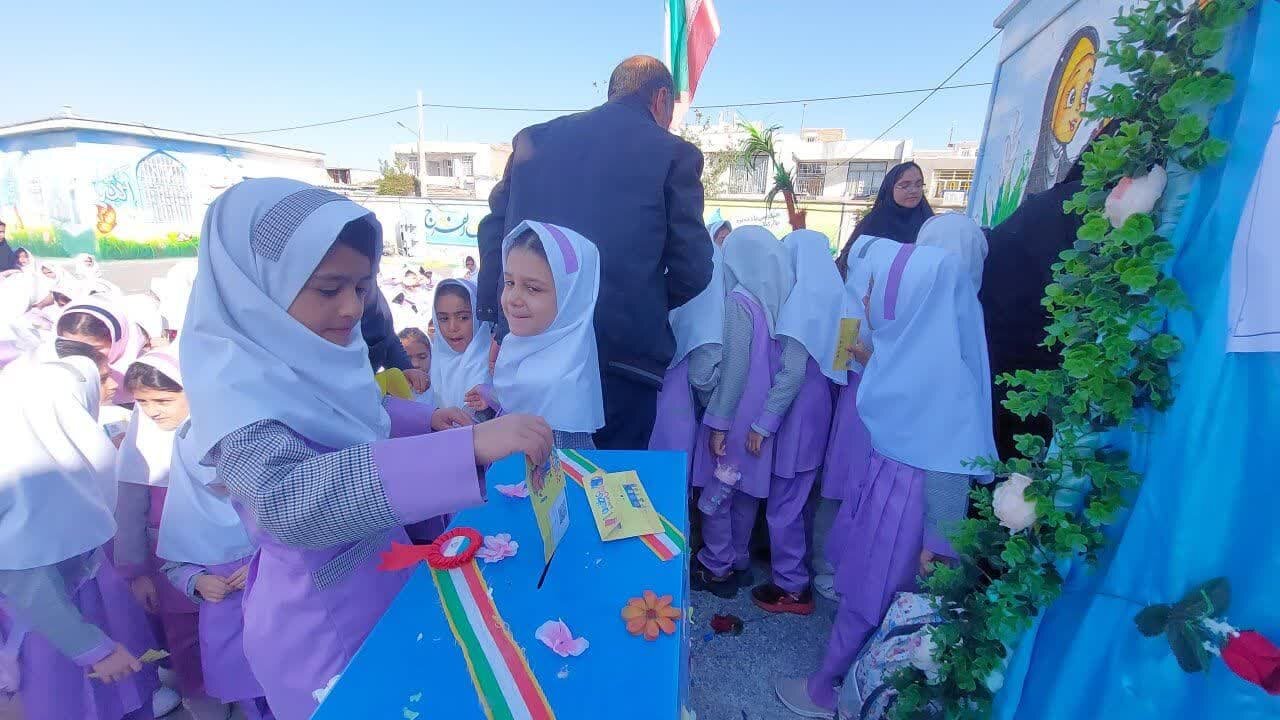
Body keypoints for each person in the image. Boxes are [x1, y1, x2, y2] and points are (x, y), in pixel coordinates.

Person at [179, 179, 551, 719]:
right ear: (256, 288)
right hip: (321, 630)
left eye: (362, 287)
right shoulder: (235, 393)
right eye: (329, 289)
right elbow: (287, 503)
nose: (352, 309)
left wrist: (427, 421)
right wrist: (463, 447)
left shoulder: (313, 349)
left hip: (382, 580)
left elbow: (352, 418)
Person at [776, 234, 996, 718]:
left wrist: (939, 543)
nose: (868, 298)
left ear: (910, 302)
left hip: (907, 505)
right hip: (889, 491)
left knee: (873, 596)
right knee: (866, 589)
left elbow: (947, 462)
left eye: (877, 290)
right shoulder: (917, 355)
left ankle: (827, 687)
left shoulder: (942, 377)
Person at [477, 55, 714, 450]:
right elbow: (694, 267)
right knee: (608, 491)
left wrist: (499, 323)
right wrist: (643, 298)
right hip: (621, 359)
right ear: (660, 99)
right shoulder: (673, 153)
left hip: (533, 349)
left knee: (526, 480)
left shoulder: (532, 140)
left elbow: (493, 233)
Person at [0, 347, 161, 720]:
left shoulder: (62, 479)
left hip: (94, 614)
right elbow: (27, 584)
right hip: (59, 634)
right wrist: (93, 649)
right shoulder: (23, 487)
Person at [143, 351, 268, 719]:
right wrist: (198, 582)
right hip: (230, 635)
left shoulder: (268, 505)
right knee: (248, 699)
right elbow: (175, 566)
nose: (223, 486)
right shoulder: (187, 511)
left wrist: (268, 561)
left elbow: (303, 549)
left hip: (279, 630)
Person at [688, 226, 804, 598]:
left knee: (718, 495)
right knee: (746, 495)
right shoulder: (775, 303)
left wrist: (718, 423)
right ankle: (738, 559)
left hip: (734, 416)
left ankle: (717, 565)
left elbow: (735, 369)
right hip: (760, 419)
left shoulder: (739, 301)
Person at [113, 348, 219, 718]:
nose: (153, 410)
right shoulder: (141, 447)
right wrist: (137, 574)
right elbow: (129, 515)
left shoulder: (217, 435)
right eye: (142, 402)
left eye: (164, 399)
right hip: (168, 560)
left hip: (226, 558)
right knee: (185, 635)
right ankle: (202, 697)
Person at [749, 229, 843, 616]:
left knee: (783, 503)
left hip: (798, 414)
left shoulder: (801, 304)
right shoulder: (839, 299)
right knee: (801, 499)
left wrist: (762, 425)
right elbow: (840, 365)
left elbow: (790, 374)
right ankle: (795, 570)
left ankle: (791, 587)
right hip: (821, 409)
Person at [467, 221, 603, 451]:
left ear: (571, 298)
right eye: (509, 283)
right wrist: (491, 400)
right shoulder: (519, 345)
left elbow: (554, 476)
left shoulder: (563, 386)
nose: (513, 298)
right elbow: (518, 404)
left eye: (533, 288)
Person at [648, 219, 725, 465]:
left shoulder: (648, 245)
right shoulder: (707, 266)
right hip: (678, 394)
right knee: (667, 478)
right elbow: (703, 371)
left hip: (641, 376)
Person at [834, 161, 935, 279]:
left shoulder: (930, 224)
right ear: (889, 188)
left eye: (918, 185)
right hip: (877, 292)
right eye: (905, 185)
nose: (913, 190)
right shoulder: (873, 223)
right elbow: (847, 259)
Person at [430, 279, 491, 418]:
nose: (452, 327)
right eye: (443, 319)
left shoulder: (493, 364)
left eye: (463, 317)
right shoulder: (436, 362)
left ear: (478, 317)